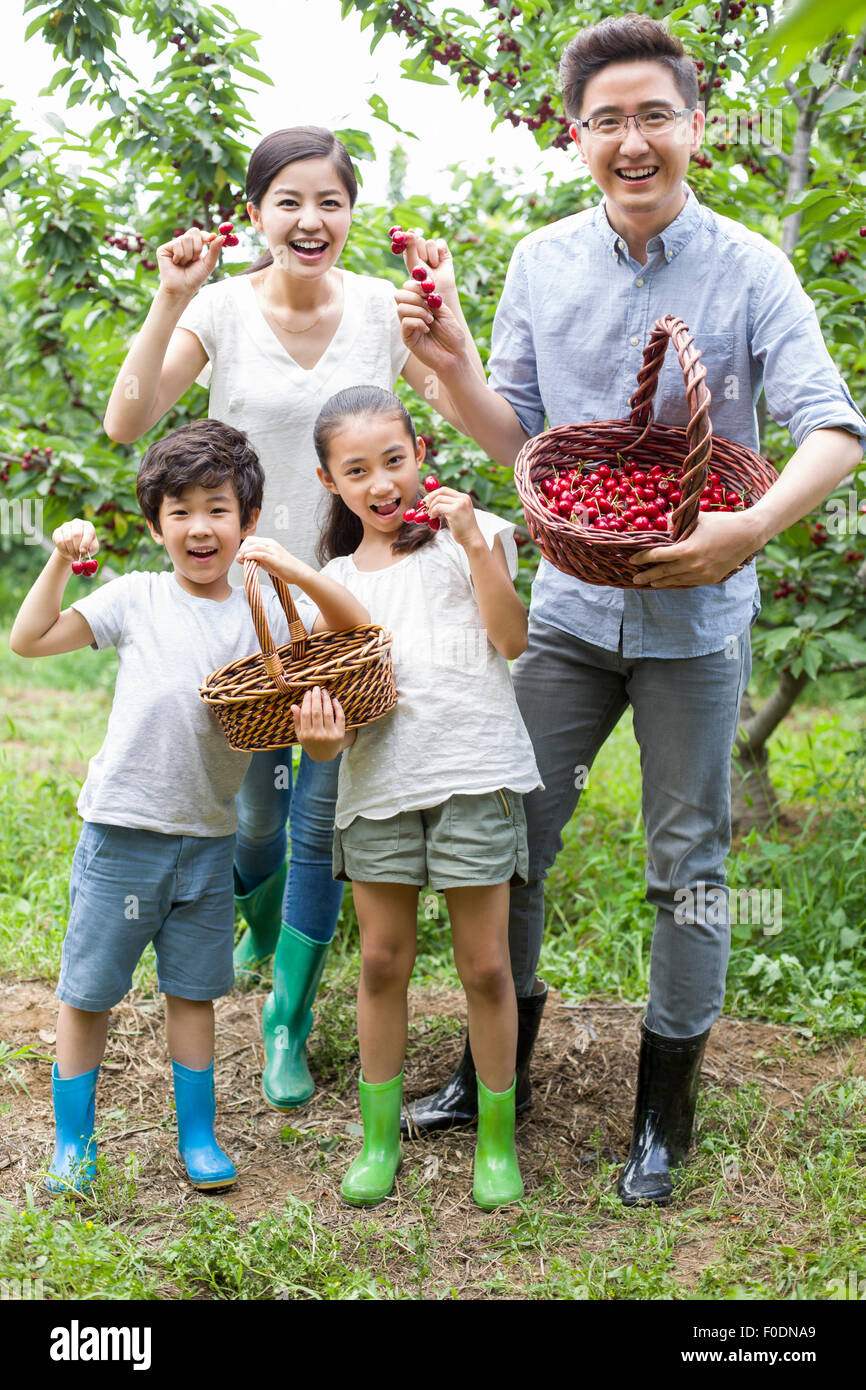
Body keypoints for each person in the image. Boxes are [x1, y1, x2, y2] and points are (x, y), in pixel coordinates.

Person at [393, 13, 866, 1204]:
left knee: (689, 866)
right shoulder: (543, 261)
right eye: (607, 120)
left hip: (695, 628)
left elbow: (833, 428)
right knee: (511, 838)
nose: (632, 140)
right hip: (561, 609)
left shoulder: (750, 266)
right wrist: (448, 368)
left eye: (655, 114)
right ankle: (491, 1069)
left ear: (695, 127)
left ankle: (666, 1107)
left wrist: (747, 529)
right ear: (575, 136)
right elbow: (523, 441)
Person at [103, 126, 484, 1112]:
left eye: (330, 201)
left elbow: (476, 407)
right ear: (257, 214)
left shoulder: (378, 308)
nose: (310, 220)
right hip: (235, 601)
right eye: (288, 201)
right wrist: (170, 296)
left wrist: (448, 315)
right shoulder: (223, 309)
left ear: (351, 212)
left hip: (343, 609)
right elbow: (126, 420)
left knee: (318, 813)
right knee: (253, 812)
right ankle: (263, 930)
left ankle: (286, 1018)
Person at [8, 419, 368, 1194]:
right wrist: (59, 562)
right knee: (90, 990)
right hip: (123, 834)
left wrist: (295, 574)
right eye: (180, 511)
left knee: (196, 990)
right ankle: (75, 1142)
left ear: (248, 521)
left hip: (209, 839)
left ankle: (198, 1137)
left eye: (217, 508)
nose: (200, 526)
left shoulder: (262, 607)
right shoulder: (136, 598)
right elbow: (31, 641)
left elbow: (354, 634)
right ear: (155, 525)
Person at [288, 385, 542, 1208]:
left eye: (393, 460)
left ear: (420, 456)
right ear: (330, 482)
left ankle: (496, 1144)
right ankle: (377, 1139)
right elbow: (336, 722)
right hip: (380, 789)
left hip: (476, 775)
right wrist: (320, 743)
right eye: (356, 469)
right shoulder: (329, 581)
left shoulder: (480, 536)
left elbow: (511, 639)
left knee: (487, 967)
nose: (380, 482)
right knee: (382, 961)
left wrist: (472, 543)